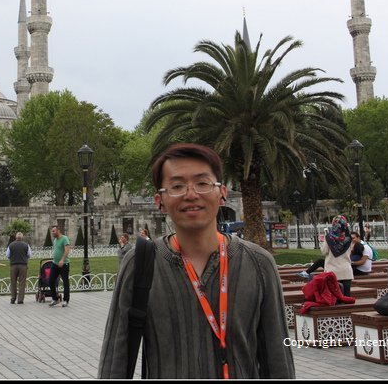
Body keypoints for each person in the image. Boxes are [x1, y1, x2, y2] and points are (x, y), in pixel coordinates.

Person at [98, 143, 295, 378]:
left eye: (203, 183)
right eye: (177, 186)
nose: (191, 194)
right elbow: (114, 363)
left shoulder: (259, 264)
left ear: (222, 193)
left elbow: (278, 361)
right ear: (159, 200)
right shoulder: (140, 264)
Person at [321, 215, 354, 296]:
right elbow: (350, 251)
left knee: (335, 299)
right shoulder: (349, 238)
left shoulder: (329, 237)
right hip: (346, 271)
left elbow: (324, 251)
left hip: (332, 272)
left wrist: (322, 242)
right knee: (346, 297)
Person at [48, 224, 71, 307]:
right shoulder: (55, 240)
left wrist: (62, 260)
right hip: (55, 264)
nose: (52, 233)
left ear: (58, 231)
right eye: (52, 231)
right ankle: (55, 298)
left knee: (65, 282)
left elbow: (67, 250)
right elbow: (56, 250)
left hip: (64, 264)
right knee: (50, 280)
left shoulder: (64, 238)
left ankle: (66, 300)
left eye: (54, 231)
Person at [6, 231, 31, 304]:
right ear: (22, 237)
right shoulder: (26, 245)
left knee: (13, 282)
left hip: (13, 265)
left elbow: (7, 255)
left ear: (16, 237)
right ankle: (20, 299)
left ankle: (13, 298)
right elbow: (29, 255)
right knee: (22, 282)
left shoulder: (11, 245)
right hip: (23, 265)